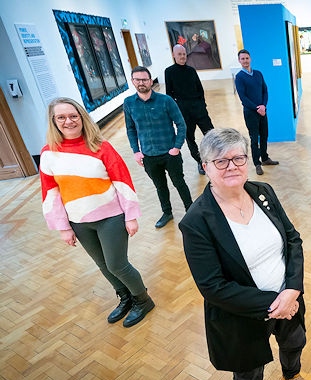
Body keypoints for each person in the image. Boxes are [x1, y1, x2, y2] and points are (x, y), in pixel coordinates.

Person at [179, 128, 311, 380]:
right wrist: (276, 303)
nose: (232, 166)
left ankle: (291, 376)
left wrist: (293, 289)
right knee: (249, 372)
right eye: (221, 161)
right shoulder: (197, 221)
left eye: (238, 158)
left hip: (290, 299)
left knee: (294, 343)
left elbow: (293, 240)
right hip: (242, 315)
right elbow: (213, 287)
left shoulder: (263, 192)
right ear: (205, 166)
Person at [39, 97, 155, 328]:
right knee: (103, 265)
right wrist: (63, 227)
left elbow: (123, 181)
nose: (68, 121)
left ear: (82, 118)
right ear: (53, 121)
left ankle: (143, 300)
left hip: (110, 217)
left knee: (116, 264)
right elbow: (50, 193)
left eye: (73, 116)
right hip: (79, 221)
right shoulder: (48, 153)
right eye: (61, 117)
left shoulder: (101, 147)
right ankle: (126, 298)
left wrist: (130, 216)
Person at [124, 65, 193, 229]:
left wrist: (176, 147)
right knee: (160, 186)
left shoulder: (166, 100)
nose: (141, 82)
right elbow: (130, 129)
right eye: (137, 79)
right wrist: (136, 151)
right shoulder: (129, 103)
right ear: (133, 81)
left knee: (179, 182)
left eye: (145, 79)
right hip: (148, 156)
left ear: (150, 80)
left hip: (170, 153)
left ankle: (191, 211)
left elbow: (181, 124)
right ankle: (167, 212)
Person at [165, 44, 215, 175]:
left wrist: (202, 104)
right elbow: (169, 94)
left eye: (184, 54)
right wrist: (174, 112)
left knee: (211, 134)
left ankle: (215, 158)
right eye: (179, 54)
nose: (182, 56)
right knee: (189, 138)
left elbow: (200, 88)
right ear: (174, 55)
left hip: (199, 109)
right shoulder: (169, 71)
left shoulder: (191, 70)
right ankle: (200, 161)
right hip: (183, 112)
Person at [235, 49, 279, 176]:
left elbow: (265, 91)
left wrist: (263, 106)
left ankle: (265, 158)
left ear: (250, 59)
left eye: (247, 58)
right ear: (239, 61)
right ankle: (257, 163)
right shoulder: (239, 77)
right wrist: (257, 108)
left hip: (262, 111)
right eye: (242, 59)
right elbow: (243, 98)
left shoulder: (258, 74)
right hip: (251, 113)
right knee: (254, 139)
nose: (245, 61)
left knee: (264, 136)